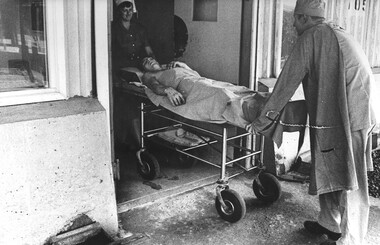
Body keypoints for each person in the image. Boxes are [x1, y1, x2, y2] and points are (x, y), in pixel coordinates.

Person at [250, 0, 377, 244]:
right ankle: (329, 223)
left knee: (351, 180)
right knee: (329, 167)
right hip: (347, 114)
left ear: (304, 18)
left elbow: (286, 82)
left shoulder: (311, 37)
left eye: (295, 20)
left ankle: (352, 240)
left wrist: (261, 120)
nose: (294, 26)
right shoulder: (334, 31)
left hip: (350, 118)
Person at [112, 0, 156, 151]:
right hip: (121, 69)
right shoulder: (113, 28)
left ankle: (140, 140)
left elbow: (148, 49)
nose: (128, 13)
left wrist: (155, 64)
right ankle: (135, 143)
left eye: (130, 10)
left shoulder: (140, 29)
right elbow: (108, 52)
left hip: (138, 67)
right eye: (124, 10)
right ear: (119, 11)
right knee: (128, 106)